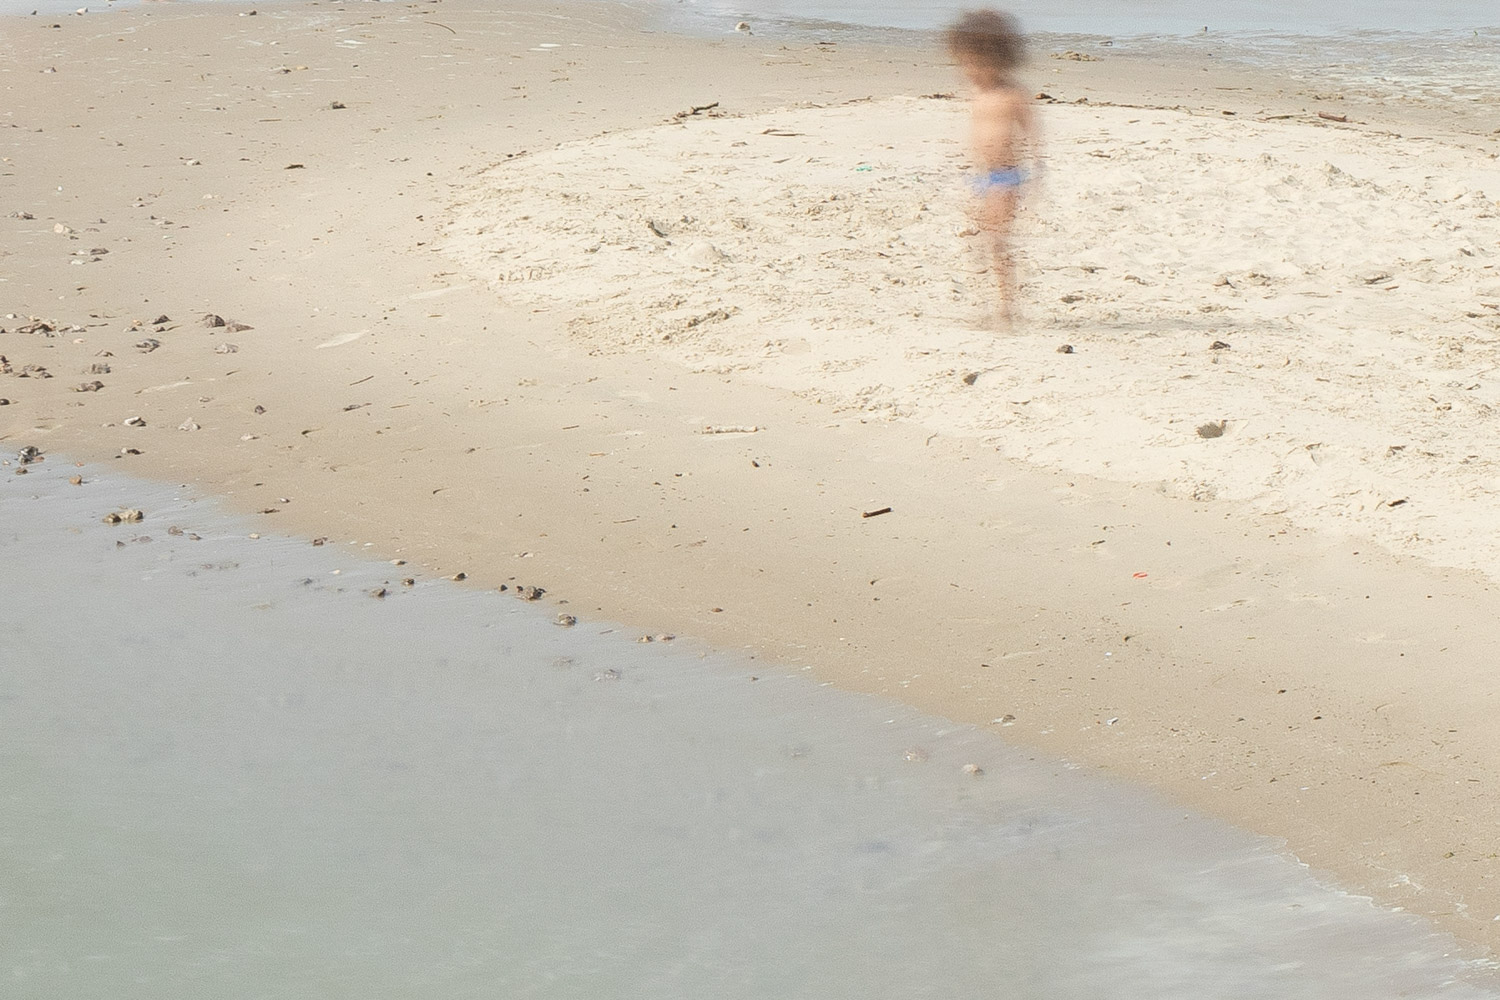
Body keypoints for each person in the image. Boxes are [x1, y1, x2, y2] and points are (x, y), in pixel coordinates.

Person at [946, 10, 1038, 326]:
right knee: (980, 241)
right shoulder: (979, 95)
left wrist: (1037, 170)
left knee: (997, 241)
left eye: (975, 64)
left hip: (1006, 177)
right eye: (965, 64)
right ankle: (990, 304)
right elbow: (978, 136)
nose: (969, 71)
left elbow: (1032, 134)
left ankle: (1006, 308)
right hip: (983, 177)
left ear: (998, 61)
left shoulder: (1012, 95)